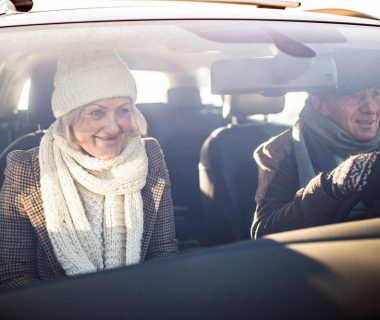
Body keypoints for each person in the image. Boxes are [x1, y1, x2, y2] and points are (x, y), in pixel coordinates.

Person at [0, 51, 178, 289]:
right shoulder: (25, 168)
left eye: (123, 110)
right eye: (96, 112)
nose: (114, 127)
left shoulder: (149, 156)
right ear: (68, 117)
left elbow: (163, 253)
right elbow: (13, 275)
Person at [251, 86, 380, 239]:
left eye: (376, 93)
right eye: (351, 94)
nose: (371, 108)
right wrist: (334, 183)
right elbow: (263, 232)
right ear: (319, 103)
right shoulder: (279, 152)